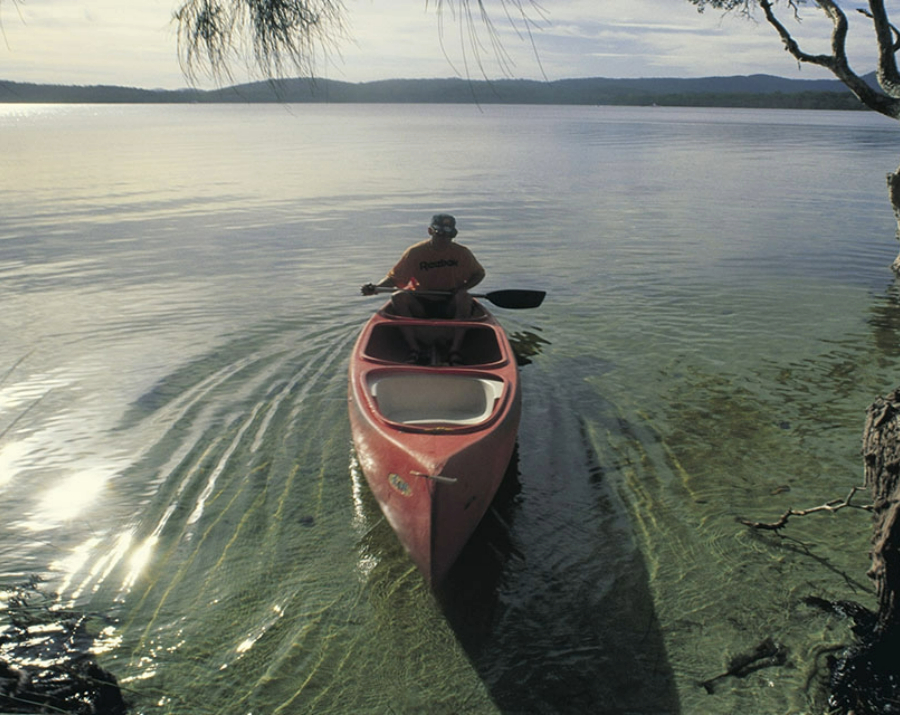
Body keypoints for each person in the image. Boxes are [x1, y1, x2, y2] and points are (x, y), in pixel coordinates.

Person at [361, 214, 485, 363]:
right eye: (440, 234)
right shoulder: (415, 253)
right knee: (398, 297)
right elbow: (395, 278)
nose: (444, 239)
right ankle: (414, 349)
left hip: (449, 301)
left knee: (464, 296)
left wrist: (462, 288)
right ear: (430, 231)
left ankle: (455, 350)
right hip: (422, 301)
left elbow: (478, 274)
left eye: (449, 235)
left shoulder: (461, 253)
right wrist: (376, 288)